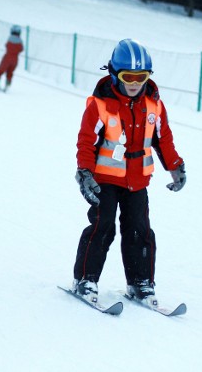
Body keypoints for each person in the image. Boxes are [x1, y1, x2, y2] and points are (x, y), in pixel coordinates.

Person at [71, 38, 186, 305]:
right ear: (114, 74)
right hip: (104, 181)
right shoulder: (99, 105)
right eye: (128, 76)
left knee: (140, 230)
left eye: (141, 76)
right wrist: (85, 173)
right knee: (103, 227)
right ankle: (85, 279)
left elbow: (163, 139)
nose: (135, 82)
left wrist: (175, 166)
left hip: (137, 181)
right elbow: (86, 141)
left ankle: (140, 283)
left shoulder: (154, 105)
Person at [0, 24, 23, 91]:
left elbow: (6, 45)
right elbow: (21, 49)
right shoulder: (20, 41)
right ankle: (7, 85)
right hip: (15, 60)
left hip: (7, 58)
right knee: (10, 72)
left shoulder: (10, 38)